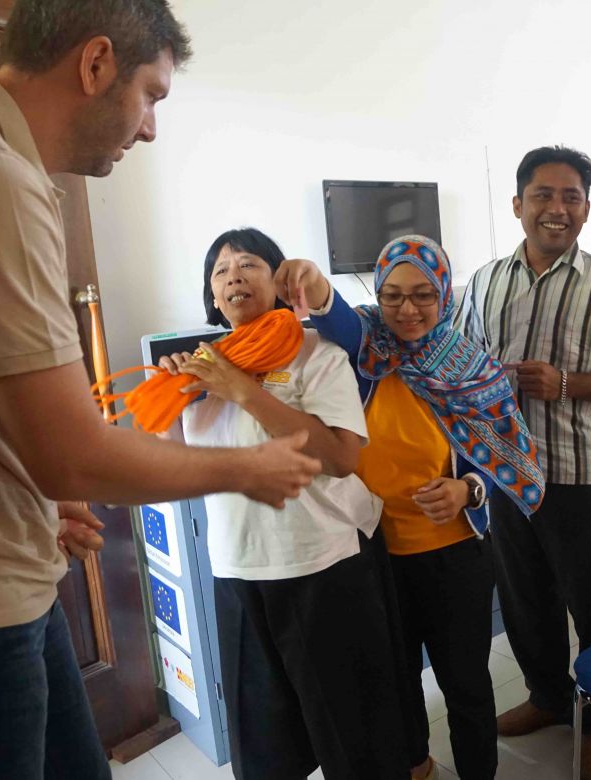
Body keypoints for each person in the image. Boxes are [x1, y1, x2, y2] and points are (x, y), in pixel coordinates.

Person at [0, 3, 320, 777]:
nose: (151, 126)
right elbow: (74, 455)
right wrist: (249, 468)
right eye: (151, 94)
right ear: (95, 65)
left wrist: (32, 486)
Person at [275, 236, 545, 780]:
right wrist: (310, 278)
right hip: (373, 556)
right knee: (395, 680)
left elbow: (510, 455)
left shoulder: (472, 367)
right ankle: (416, 765)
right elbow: (339, 319)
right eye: (393, 295)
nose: (407, 309)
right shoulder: (366, 348)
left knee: (465, 683)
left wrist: (467, 490)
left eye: (423, 294)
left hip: (453, 559)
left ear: (445, 294)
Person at [157, 228, 405, 780]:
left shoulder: (318, 354)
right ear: (213, 298)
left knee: (353, 733)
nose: (233, 276)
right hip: (238, 569)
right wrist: (169, 401)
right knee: (265, 744)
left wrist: (244, 390)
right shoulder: (199, 370)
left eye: (247, 264)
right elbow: (175, 466)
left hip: (323, 565)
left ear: (278, 280)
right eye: (219, 272)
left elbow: (342, 456)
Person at [456, 146, 591, 780]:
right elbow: (461, 363)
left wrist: (567, 384)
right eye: (543, 195)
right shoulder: (483, 281)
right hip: (504, 476)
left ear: (587, 209)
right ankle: (549, 697)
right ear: (517, 205)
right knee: (523, 602)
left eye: (570, 197)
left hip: (580, 475)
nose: (557, 208)